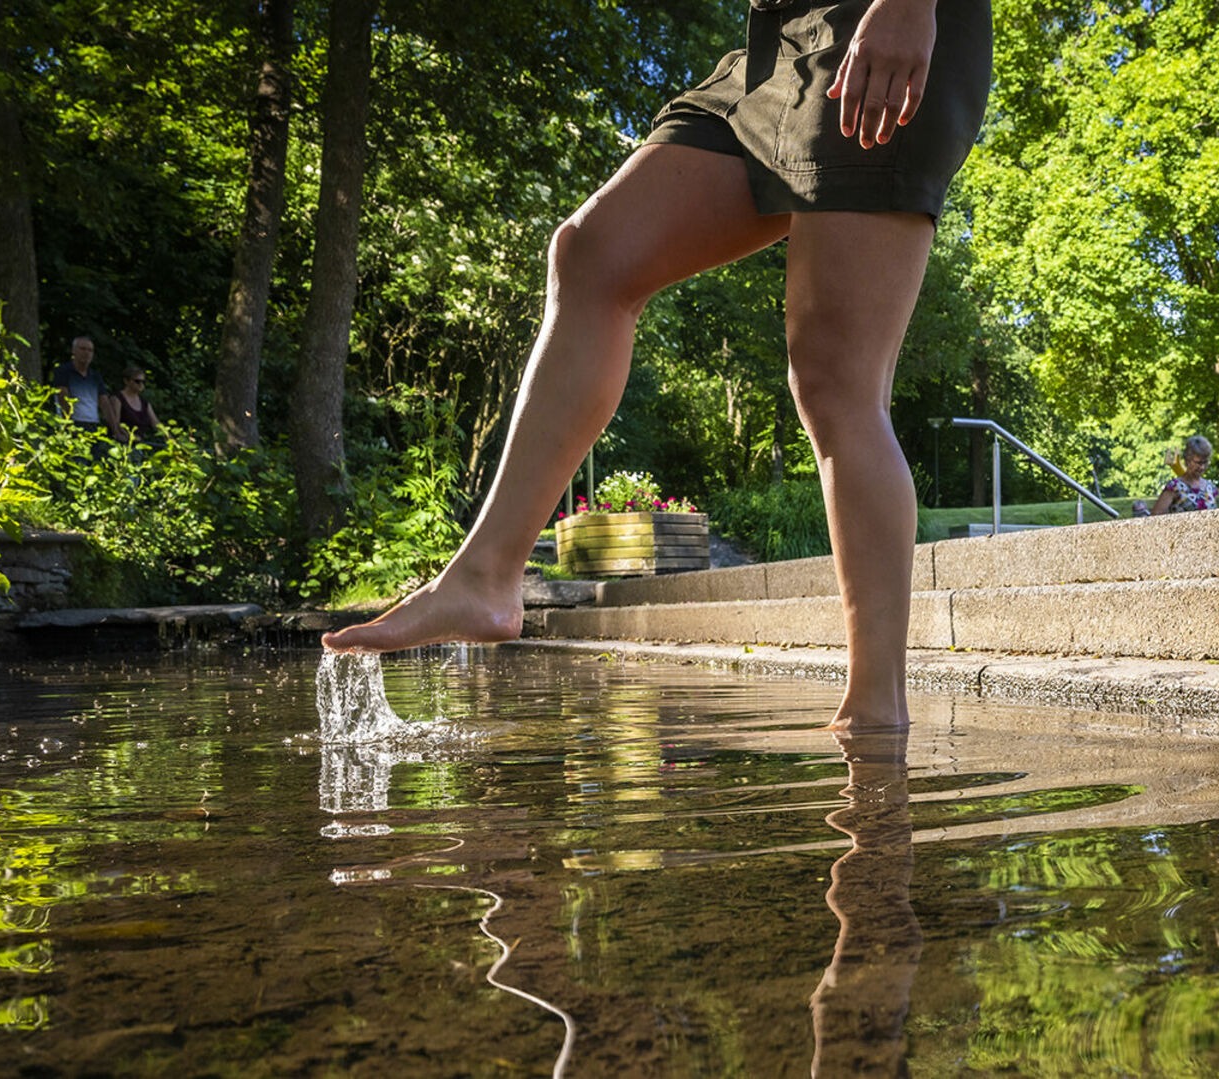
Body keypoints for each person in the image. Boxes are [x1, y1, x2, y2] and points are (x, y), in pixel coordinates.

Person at [323, 0, 994, 735]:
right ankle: (485, 576)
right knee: (592, 254)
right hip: (774, 45)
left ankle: (874, 713)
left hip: (876, 23)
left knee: (836, 379)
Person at [1136, 435, 1219, 515]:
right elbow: (1155, 516)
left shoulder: (1210, 488)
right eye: (1199, 463)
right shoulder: (1174, 487)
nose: (1202, 467)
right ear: (1187, 460)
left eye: (1205, 462)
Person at [49, 336, 109, 436]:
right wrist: (69, 424)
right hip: (71, 423)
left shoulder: (95, 376)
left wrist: (116, 429)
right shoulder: (63, 371)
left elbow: (105, 403)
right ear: (73, 351)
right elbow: (62, 397)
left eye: (90, 350)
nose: (86, 353)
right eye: (82, 349)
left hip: (92, 425)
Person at [103, 364, 163, 448]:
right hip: (119, 446)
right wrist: (129, 436)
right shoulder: (117, 399)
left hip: (138, 446)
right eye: (137, 381)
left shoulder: (145, 403)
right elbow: (114, 423)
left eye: (143, 382)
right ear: (126, 381)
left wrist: (170, 438)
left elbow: (156, 423)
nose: (141, 384)